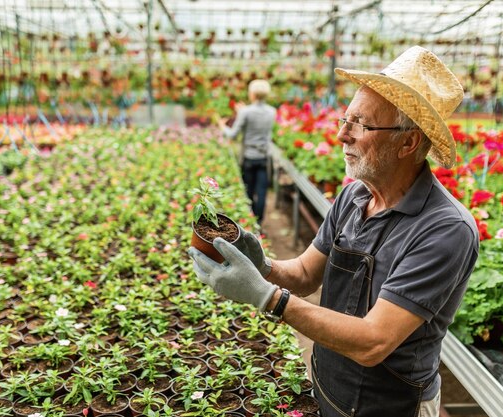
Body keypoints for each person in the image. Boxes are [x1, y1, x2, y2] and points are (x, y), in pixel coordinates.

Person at [189, 46, 479, 417]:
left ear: (408, 143)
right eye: (346, 118)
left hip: (389, 406)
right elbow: (306, 275)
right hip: (328, 384)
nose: (342, 134)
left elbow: (374, 342)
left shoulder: (444, 229)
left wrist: (267, 297)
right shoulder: (355, 195)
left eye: (362, 124)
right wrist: (262, 266)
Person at [218, 79, 276, 225]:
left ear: (252, 94)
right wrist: (242, 112)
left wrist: (221, 125)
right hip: (264, 156)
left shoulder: (246, 112)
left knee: (248, 191)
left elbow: (232, 134)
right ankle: (259, 222)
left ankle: (249, 221)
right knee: (262, 192)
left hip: (249, 157)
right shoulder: (271, 111)